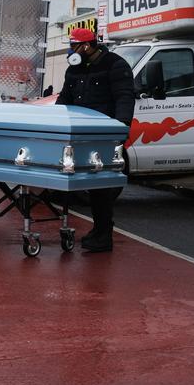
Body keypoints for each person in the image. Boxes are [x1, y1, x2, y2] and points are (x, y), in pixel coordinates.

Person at [56, 28, 135, 252]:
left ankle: (103, 234)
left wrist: (121, 129)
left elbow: (124, 98)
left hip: (104, 134)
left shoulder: (115, 65)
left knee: (101, 185)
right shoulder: (74, 69)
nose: (71, 50)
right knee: (86, 184)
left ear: (87, 46)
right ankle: (98, 231)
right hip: (80, 134)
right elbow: (65, 98)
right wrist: (57, 122)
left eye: (74, 45)